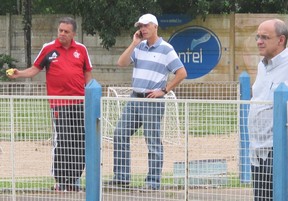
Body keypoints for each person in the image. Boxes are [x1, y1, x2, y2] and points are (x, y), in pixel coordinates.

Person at [7, 16, 93, 192]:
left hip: (79, 102)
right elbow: (34, 69)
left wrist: (90, 95)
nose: (61, 34)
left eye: (66, 31)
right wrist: (19, 73)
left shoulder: (82, 49)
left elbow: (87, 74)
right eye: (60, 30)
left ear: (73, 34)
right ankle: (61, 180)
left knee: (79, 141)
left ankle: (74, 179)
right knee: (63, 140)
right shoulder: (48, 48)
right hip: (59, 103)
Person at [105, 13, 187, 190]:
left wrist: (164, 90)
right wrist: (134, 43)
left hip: (152, 101)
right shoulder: (139, 46)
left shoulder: (166, 49)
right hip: (135, 98)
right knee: (120, 133)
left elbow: (181, 73)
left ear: (155, 27)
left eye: (146, 25)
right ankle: (121, 178)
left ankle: (153, 182)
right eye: (140, 26)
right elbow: (121, 63)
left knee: (152, 141)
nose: (142, 29)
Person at [248, 19, 288, 201]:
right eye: (258, 37)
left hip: (283, 149)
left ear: (281, 40)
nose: (259, 41)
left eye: (265, 37)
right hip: (258, 150)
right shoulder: (262, 66)